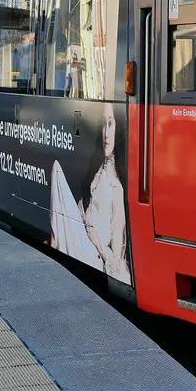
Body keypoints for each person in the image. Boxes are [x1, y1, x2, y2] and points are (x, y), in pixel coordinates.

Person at [49, 103, 130, 284]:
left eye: (110, 124)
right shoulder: (101, 167)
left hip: (92, 250)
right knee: (56, 171)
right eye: (103, 123)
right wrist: (83, 215)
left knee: (56, 170)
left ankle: (54, 247)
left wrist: (95, 239)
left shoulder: (117, 188)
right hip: (84, 233)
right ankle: (54, 245)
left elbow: (115, 259)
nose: (105, 133)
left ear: (118, 129)